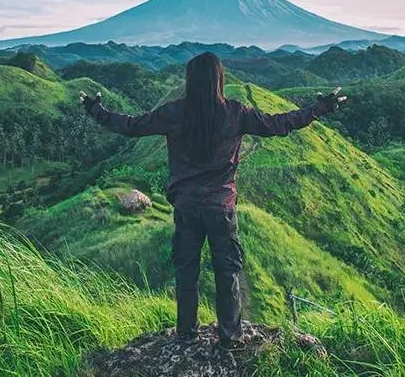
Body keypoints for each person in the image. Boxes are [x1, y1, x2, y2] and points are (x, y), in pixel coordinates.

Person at [79, 51, 346, 348]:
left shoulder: (174, 112)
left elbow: (131, 126)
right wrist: (320, 108)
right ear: (219, 79)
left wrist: (96, 111)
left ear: (190, 81)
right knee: (227, 271)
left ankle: (186, 334)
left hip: (187, 206)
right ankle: (230, 337)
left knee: (186, 271)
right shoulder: (235, 112)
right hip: (221, 207)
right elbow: (279, 124)